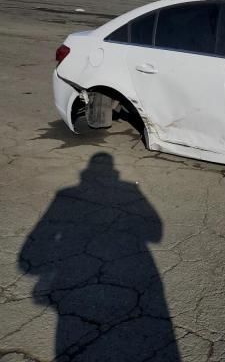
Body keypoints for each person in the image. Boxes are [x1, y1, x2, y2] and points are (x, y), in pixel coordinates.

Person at [18, 153, 180, 361]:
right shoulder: (131, 188)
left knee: (73, 336)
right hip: (139, 263)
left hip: (72, 282)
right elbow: (155, 233)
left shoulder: (66, 193)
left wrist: (36, 268)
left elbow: (32, 252)